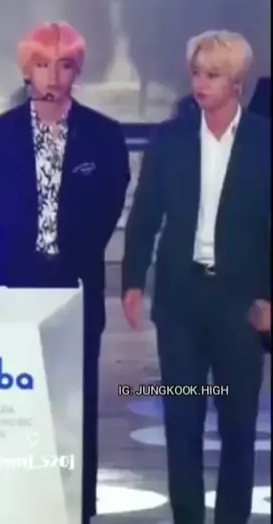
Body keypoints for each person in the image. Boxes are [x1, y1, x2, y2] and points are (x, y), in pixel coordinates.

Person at [0, 21, 130, 523]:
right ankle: (21, 505)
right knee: (17, 407)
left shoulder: (103, 136)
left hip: (76, 287)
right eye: (42, 65)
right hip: (16, 285)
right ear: (27, 70)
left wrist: (68, 255)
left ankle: (76, 508)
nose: (53, 76)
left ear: (77, 71)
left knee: (75, 407)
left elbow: (108, 208)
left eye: (63, 65)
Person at [122, 30, 270, 524]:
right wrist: (133, 280)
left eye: (213, 75)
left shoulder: (265, 142)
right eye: (196, 74)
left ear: (237, 82)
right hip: (180, 302)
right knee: (182, 420)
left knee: (237, 426)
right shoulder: (170, 140)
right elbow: (145, 213)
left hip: (240, 305)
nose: (201, 84)